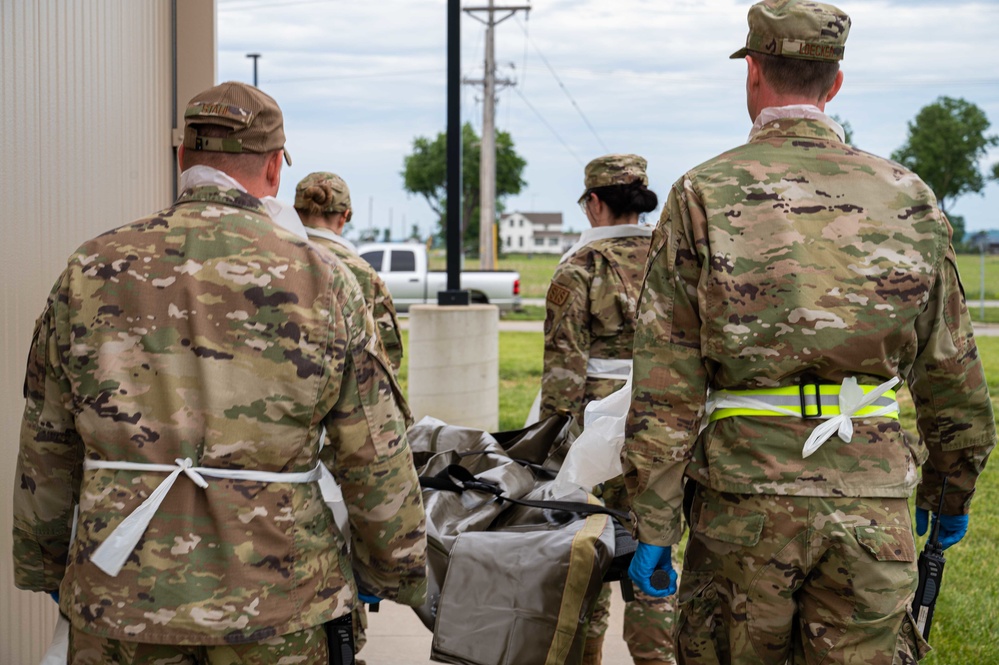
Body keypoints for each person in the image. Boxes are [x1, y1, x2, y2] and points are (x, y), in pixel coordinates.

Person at [624, 2, 997, 664]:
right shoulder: (907, 194)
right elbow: (951, 370)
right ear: (834, 83)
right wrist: (950, 490)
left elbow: (666, 378)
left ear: (753, 75)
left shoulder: (701, 193)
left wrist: (653, 521)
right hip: (871, 499)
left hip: (745, 503)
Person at [11, 80, 428, 664]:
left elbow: (47, 440)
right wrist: (394, 569)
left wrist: (45, 561)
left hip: (121, 603)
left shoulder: (89, 268)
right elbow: (373, 454)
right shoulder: (323, 279)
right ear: (275, 170)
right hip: (281, 603)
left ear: (183, 158)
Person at [539, 154, 676, 665]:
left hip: (592, 435)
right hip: (664, 424)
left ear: (595, 202)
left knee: (586, 557)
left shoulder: (580, 267)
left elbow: (562, 373)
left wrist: (550, 451)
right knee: (655, 549)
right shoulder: (673, 258)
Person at [295, 171, 405, 374]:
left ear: (296, 211)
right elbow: (389, 354)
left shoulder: (270, 254)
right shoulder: (362, 272)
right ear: (344, 217)